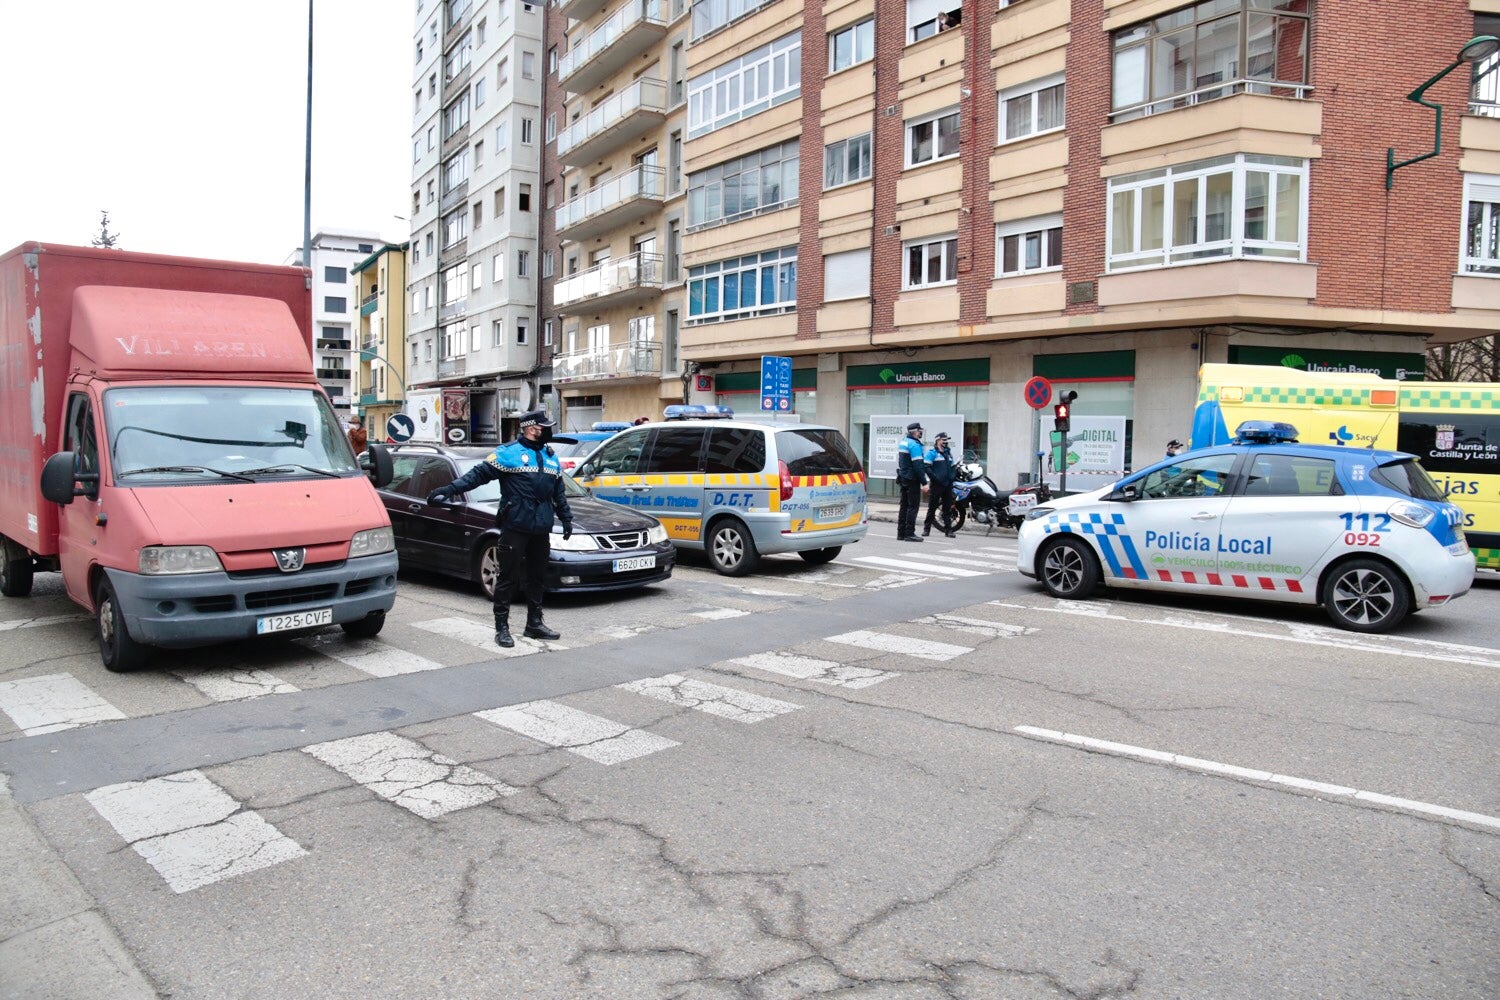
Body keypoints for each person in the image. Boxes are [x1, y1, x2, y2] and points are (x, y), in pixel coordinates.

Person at [427, 409, 574, 648]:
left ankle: (534, 624)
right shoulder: (508, 454)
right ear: (530, 428)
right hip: (515, 525)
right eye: (543, 426)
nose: (548, 430)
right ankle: (502, 628)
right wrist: (450, 490)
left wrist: (566, 518)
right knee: (507, 578)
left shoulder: (550, 456)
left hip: (541, 528)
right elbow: (477, 476)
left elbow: (558, 492)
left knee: (537, 577)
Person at [922, 431, 958, 538]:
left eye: (947, 440)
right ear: (938, 440)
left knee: (947, 509)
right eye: (943, 440)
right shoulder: (932, 453)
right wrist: (935, 478)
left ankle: (948, 530)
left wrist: (952, 476)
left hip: (947, 485)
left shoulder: (948, 453)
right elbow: (926, 467)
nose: (946, 442)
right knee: (932, 508)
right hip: (937, 485)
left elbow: (952, 467)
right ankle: (926, 529)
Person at [896, 422, 928, 542]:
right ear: (915, 432)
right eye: (919, 431)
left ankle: (901, 533)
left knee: (904, 506)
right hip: (912, 479)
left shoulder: (904, 442)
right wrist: (924, 482)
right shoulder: (914, 445)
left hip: (903, 477)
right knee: (913, 506)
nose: (920, 433)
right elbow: (918, 466)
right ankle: (909, 533)